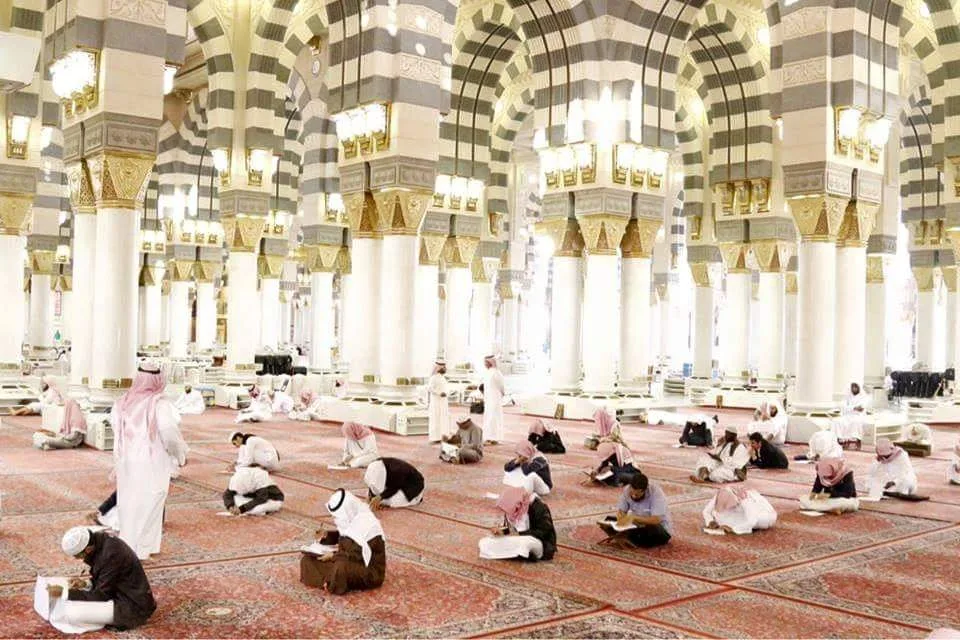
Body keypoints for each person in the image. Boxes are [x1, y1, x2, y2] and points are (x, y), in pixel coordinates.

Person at [111, 362, 189, 560]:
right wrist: (179, 454)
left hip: (127, 460)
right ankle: (141, 548)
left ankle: (131, 544)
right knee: (151, 502)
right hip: (152, 461)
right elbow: (169, 433)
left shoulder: (121, 402)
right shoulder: (160, 404)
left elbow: (116, 431)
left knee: (129, 502)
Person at [38, 527, 156, 632]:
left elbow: (101, 595)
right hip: (118, 594)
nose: (78, 559)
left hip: (131, 605)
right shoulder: (101, 541)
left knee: (72, 613)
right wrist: (86, 583)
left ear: (88, 550)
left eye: (78, 556)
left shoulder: (110, 555)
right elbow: (107, 579)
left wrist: (64, 592)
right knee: (69, 601)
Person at [300, 489, 386, 594]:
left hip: (369, 571)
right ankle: (329, 581)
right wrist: (326, 535)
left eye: (337, 516)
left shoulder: (369, 526)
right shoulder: (351, 518)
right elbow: (345, 536)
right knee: (308, 560)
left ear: (346, 510)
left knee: (341, 567)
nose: (336, 519)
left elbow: (357, 556)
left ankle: (331, 581)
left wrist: (333, 556)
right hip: (344, 559)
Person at [478, 486, 556, 561]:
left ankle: (516, 553)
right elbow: (511, 530)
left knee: (525, 543)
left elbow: (543, 532)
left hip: (539, 542)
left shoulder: (538, 507)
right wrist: (501, 531)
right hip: (517, 539)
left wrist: (518, 534)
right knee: (485, 541)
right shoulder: (513, 510)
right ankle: (515, 554)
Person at [597, 472, 672, 548]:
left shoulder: (656, 494)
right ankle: (628, 537)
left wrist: (634, 518)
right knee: (608, 520)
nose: (634, 496)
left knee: (652, 529)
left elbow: (656, 520)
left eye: (636, 495)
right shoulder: (627, 490)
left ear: (644, 490)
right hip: (636, 525)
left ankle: (628, 537)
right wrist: (621, 517)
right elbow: (621, 511)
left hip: (659, 529)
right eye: (632, 493)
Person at [702, 486, 777, 535]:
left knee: (760, 519)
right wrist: (710, 521)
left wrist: (733, 529)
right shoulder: (721, 494)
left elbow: (752, 521)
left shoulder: (745, 500)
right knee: (721, 519)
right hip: (740, 513)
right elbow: (706, 511)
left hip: (765, 514)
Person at [831, 382, 868, 449]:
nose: (854, 388)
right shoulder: (847, 397)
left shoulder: (863, 397)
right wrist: (854, 408)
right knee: (837, 421)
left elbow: (861, 408)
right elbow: (843, 407)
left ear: (858, 388)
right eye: (853, 387)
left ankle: (856, 441)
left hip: (858, 416)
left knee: (855, 422)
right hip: (847, 415)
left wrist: (850, 408)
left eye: (855, 387)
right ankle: (842, 441)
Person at [482, 354, 505, 444]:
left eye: (485, 362)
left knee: (493, 417)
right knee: (489, 416)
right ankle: (488, 437)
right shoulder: (488, 372)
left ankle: (493, 438)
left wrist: (502, 393)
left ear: (489, 363)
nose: (484, 364)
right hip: (489, 398)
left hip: (495, 398)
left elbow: (501, 385)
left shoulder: (496, 372)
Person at [427, 360, 451, 443]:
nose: (444, 368)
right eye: (442, 367)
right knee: (435, 419)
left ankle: (443, 436)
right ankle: (434, 438)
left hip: (444, 401)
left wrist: (446, 393)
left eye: (445, 367)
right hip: (436, 401)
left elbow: (446, 389)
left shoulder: (443, 378)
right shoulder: (433, 377)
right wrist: (439, 393)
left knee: (444, 418)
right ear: (438, 368)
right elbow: (430, 388)